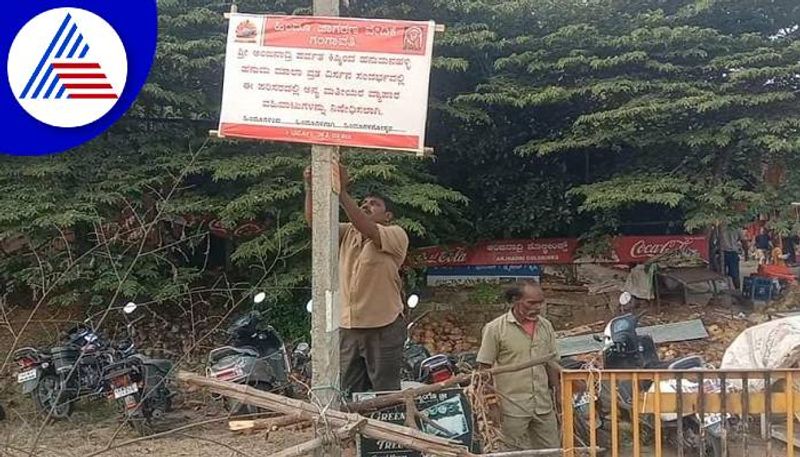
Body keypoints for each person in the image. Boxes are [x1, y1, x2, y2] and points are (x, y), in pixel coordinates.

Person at [304, 164, 409, 395]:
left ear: (388, 216)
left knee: (385, 394)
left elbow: (367, 227)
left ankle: (385, 432)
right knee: (351, 393)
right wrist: (311, 187)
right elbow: (316, 225)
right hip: (349, 328)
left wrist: (341, 192)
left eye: (375, 204)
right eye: (364, 202)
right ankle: (358, 431)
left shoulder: (395, 234)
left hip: (384, 327)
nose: (366, 205)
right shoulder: (348, 232)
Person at [476, 280, 560, 451]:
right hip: (511, 409)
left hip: (543, 406)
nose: (537, 308)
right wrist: (492, 404)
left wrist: (558, 395)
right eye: (531, 303)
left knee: (551, 451)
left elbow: (552, 364)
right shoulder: (495, 329)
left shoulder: (546, 326)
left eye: (540, 303)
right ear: (515, 300)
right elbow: (484, 370)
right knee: (511, 452)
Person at [719, 223, 743, 289]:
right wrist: (746, 253)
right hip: (732, 253)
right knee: (735, 274)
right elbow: (743, 241)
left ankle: (726, 289)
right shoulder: (737, 228)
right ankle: (737, 290)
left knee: (722, 273)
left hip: (723, 253)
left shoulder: (721, 227)